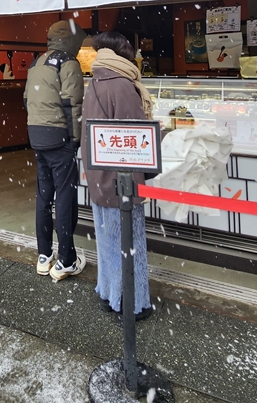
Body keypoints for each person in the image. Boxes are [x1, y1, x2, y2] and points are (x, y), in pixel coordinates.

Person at [82, 31, 158, 321]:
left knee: (107, 240)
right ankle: (131, 303)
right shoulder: (123, 84)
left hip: (99, 176)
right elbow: (137, 137)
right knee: (129, 242)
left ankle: (108, 292)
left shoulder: (96, 81)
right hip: (121, 180)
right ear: (123, 52)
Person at [24, 20, 86, 282]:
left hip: (37, 136)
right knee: (64, 198)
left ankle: (43, 255)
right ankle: (66, 260)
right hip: (60, 137)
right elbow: (72, 104)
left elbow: (26, 99)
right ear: (71, 40)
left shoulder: (37, 62)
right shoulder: (68, 63)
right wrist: (74, 140)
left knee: (43, 196)